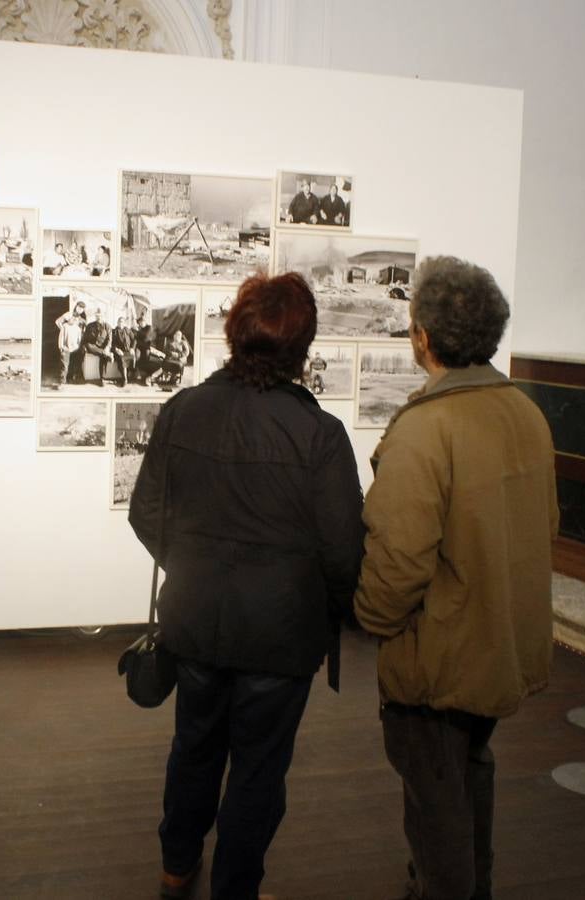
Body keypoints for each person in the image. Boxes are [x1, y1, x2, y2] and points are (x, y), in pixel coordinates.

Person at [129, 272, 365, 900]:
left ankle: (176, 866)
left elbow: (145, 513)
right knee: (258, 771)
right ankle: (235, 888)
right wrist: (328, 606)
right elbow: (345, 551)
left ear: (235, 333)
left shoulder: (184, 409)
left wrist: (192, 569)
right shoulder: (320, 435)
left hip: (195, 621)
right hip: (281, 638)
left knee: (194, 748)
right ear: (303, 346)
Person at [353, 256, 558, 900]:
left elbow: (397, 563)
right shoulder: (525, 413)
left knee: (436, 809)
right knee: (471, 776)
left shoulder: (424, 429)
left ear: (422, 336)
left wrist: (372, 620)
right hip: (498, 649)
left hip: (439, 661)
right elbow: (544, 525)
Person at [54, 300, 87, 387]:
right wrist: (64, 329)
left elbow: (83, 330)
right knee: (64, 363)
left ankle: (71, 378)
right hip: (66, 342)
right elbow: (57, 322)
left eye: (82, 309)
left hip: (77, 344)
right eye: (79, 307)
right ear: (76, 306)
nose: (80, 310)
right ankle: (62, 381)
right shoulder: (68, 314)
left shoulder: (82, 318)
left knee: (75, 362)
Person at [82, 307, 114, 386]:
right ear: (95, 316)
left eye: (100, 315)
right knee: (89, 345)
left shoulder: (108, 326)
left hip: (103, 347)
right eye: (97, 316)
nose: (98, 317)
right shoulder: (90, 325)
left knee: (102, 356)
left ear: (103, 316)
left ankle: (102, 379)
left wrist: (107, 348)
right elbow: (85, 338)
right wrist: (83, 346)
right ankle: (107, 354)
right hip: (92, 346)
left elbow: (109, 340)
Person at [111, 316, 137, 387]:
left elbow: (134, 339)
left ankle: (128, 376)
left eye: (122, 322)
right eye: (119, 321)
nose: (120, 323)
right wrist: (117, 349)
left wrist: (132, 348)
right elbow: (111, 343)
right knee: (122, 360)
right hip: (119, 351)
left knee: (133, 359)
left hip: (128, 351)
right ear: (117, 322)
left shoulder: (127, 330)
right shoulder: (114, 331)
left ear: (124, 323)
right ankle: (124, 379)